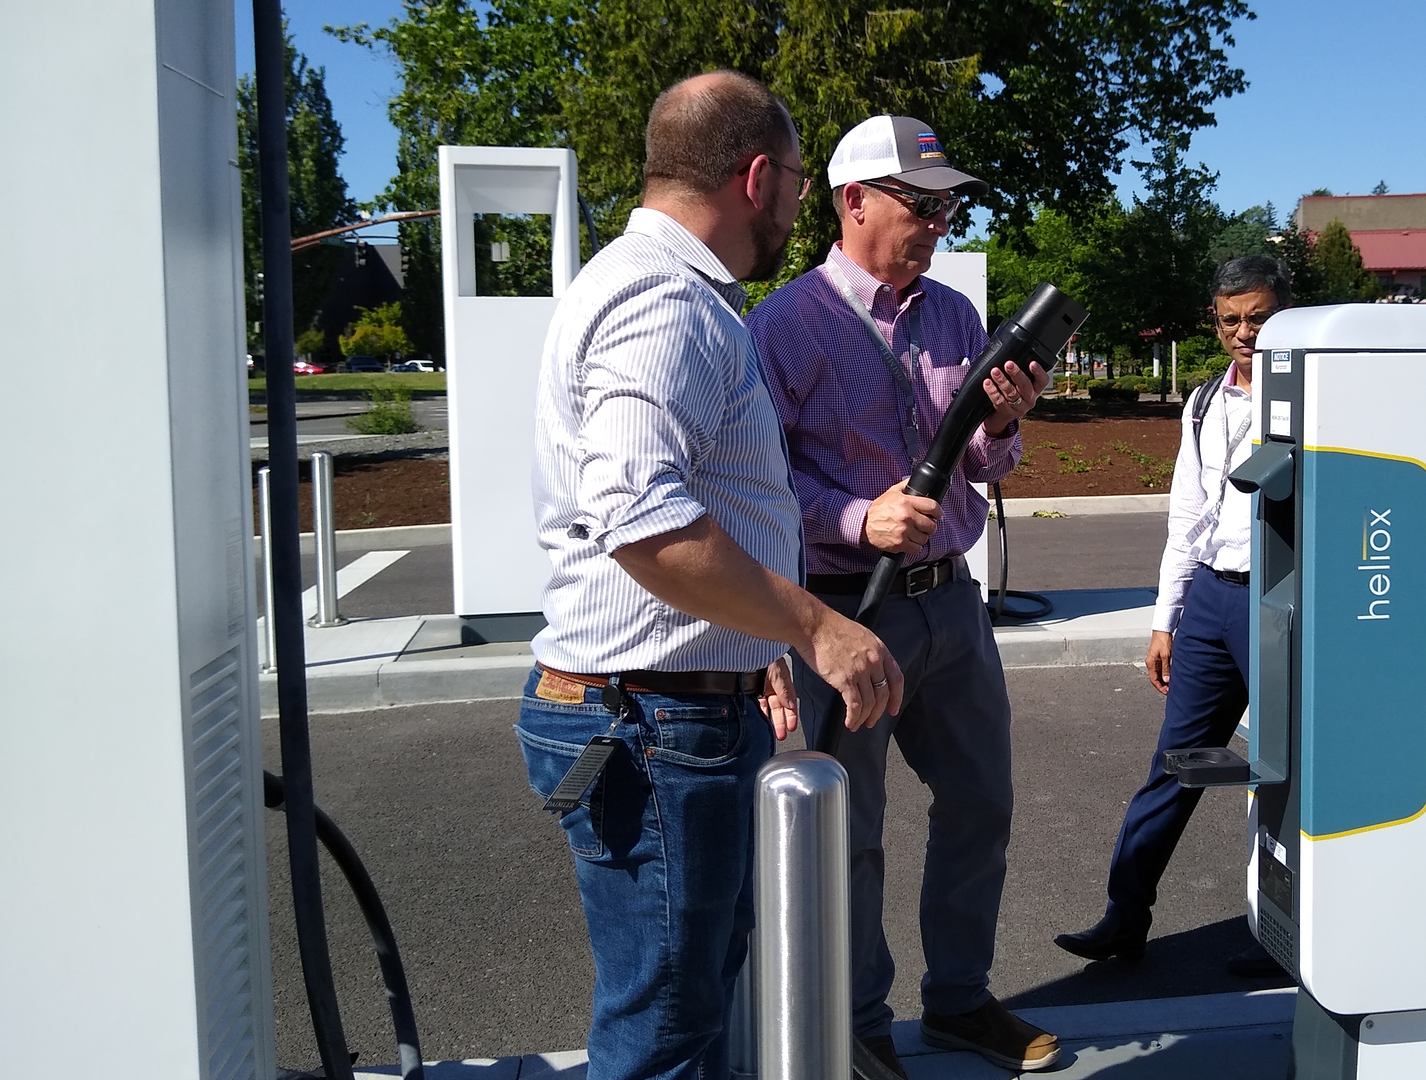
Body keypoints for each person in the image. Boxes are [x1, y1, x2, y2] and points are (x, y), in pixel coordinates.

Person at [519, 72, 905, 1080]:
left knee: (687, 1009)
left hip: (665, 711)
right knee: (665, 1040)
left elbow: (688, 514)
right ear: (755, 176)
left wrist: (752, 640)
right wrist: (815, 626)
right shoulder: (661, 301)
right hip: (654, 727)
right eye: (794, 181)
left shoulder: (659, 290)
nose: (796, 207)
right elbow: (643, 522)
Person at [746, 114, 1058, 1078]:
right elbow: (755, 487)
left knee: (982, 803)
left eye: (947, 206)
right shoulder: (786, 326)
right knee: (851, 832)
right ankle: (859, 1027)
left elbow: (978, 462)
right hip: (846, 611)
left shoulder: (957, 314)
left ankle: (960, 1001)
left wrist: (1003, 424)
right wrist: (854, 519)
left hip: (951, 606)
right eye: (920, 204)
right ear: (852, 201)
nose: (937, 223)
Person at [1054, 255, 1292, 975]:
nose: (1244, 332)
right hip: (1214, 605)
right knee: (1177, 765)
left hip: (1282, 600)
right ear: (1214, 323)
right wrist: (1166, 620)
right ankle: (1125, 918)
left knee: (1287, 777)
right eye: (1231, 319)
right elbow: (1188, 519)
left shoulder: (1318, 397)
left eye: (1259, 316)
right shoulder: (1202, 403)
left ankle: (1289, 935)